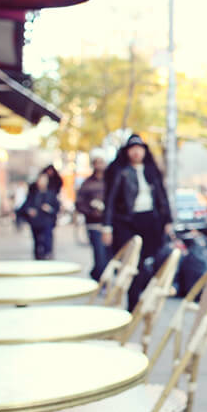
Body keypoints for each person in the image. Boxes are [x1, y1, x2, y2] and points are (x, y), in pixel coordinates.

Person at [101, 133, 172, 310]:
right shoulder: (120, 171)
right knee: (132, 264)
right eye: (132, 149)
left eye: (139, 149)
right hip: (126, 223)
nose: (136, 152)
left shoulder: (152, 171)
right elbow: (110, 200)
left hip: (150, 222)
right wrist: (107, 227)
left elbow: (162, 197)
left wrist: (168, 220)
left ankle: (141, 299)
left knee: (149, 263)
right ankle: (131, 302)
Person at [75, 150, 109, 280]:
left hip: (109, 224)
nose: (99, 165)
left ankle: (100, 276)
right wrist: (91, 211)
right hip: (94, 224)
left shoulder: (111, 180)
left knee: (109, 257)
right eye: (97, 162)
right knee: (100, 256)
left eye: (101, 162)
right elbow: (79, 203)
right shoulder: (87, 183)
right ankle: (99, 278)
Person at [17, 171, 60, 260]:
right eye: (41, 180)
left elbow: (57, 207)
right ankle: (38, 257)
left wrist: (50, 209)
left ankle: (48, 255)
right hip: (36, 222)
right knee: (37, 242)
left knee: (47, 240)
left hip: (47, 221)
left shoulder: (51, 194)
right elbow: (25, 206)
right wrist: (29, 211)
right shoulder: (33, 194)